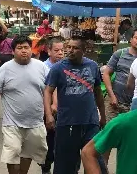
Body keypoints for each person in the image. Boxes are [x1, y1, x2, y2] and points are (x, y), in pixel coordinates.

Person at [0, 35, 49, 174]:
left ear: (31, 49)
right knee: (12, 153)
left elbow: (51, 88)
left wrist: (52, 109)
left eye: (26, 47)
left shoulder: (41, 67)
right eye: (20, 48)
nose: (24, 51)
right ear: (12, 51)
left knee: (28, 153)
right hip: (12, 123)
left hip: (36, 121)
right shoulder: (5, 69)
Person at [44, 37, 107, 174]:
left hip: (91, 122)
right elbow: (48, 91)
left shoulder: (92, 66)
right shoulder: (58, 68)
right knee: (66, 165)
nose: (70, 50)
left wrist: (102, 115)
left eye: (75, 48)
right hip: (67, 123)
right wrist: (49, 115)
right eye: (69, 47)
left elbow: (98, 92)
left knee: (95, 160)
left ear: (84, 50)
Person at [102, 28, 137, 163]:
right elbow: (106, 74)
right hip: (114, 103)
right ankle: (103, 169)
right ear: (131, 39)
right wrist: (112, 96)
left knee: (130, 140)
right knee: (108, 137)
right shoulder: (119, 54)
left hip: (134, 106)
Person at [40, 38, 64, 174]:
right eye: (56, 50)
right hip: (49, 110)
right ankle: (46, 166)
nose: (60, 53)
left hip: (66, 110)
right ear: (49, 51)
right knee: (49, 141)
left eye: (62, 50)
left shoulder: (67, 66)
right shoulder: (44, 68)